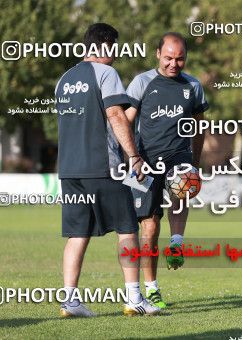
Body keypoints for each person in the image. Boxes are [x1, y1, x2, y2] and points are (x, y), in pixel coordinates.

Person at [55, 23, 160, 317]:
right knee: (127, 230)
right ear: (104, 44)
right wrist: (135, 158)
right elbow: (115, 115)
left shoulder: (64, 79)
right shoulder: (105, 73)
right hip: (104, 168)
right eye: (114, 47)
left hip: (70, 171)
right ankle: (134, 298)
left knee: (77, 235)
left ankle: (70, 301)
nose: (115, 55)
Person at [125, 32, 209, 309]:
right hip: (145, 162)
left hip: (179, 156)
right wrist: (131, 158)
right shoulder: (142, 82)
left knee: (181, 192)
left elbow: (199, 126)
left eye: (180, 58)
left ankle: (176, 242)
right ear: (158, 54)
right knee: (148, 225)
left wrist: (195, 164)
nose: (174, 63)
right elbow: (125, 122)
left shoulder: (193, 85)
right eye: (169, 58)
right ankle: (152, 289)